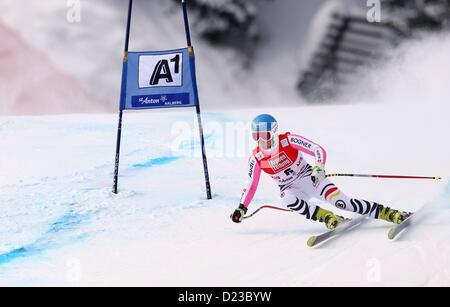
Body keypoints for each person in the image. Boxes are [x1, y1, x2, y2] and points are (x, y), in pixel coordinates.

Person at [231, 114, 411, 230]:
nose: (261, 140)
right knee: (286, 198)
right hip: (291, 188)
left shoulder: (288, 140)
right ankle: (328, 217)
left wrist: (319, 167)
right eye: (257, 136)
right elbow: (251, 185)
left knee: (343, 203)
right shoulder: (256, 157)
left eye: (265, 135)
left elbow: (317, 149)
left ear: (273, 132)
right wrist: (242, 207)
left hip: (311, 179)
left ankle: (388, 213)